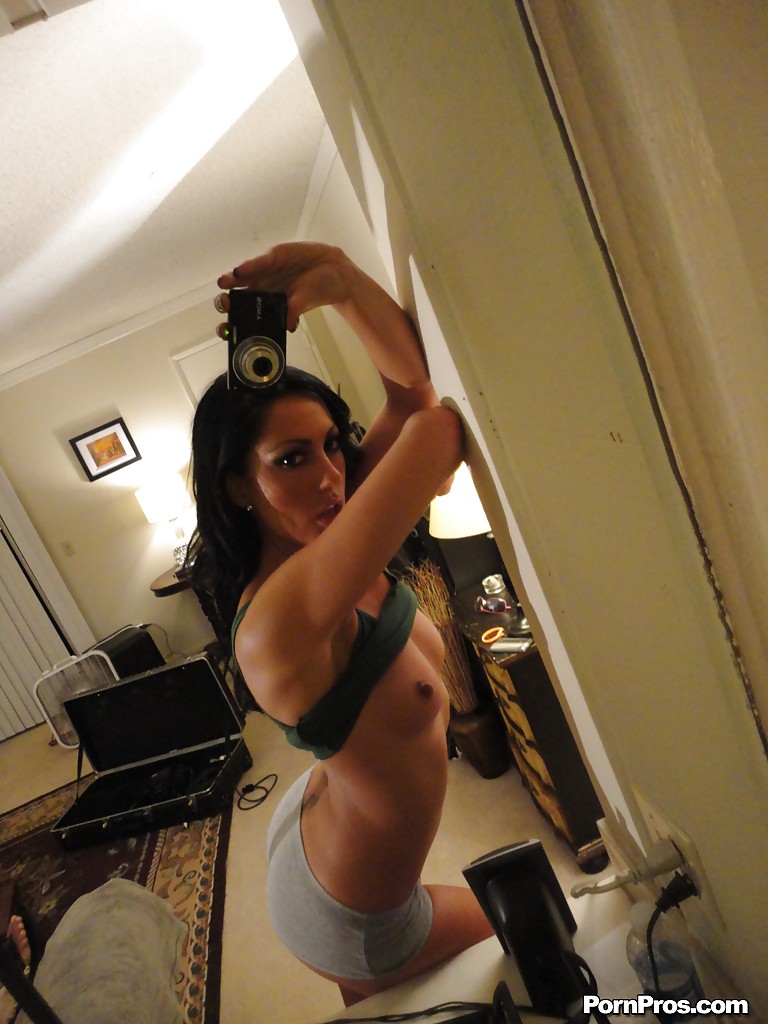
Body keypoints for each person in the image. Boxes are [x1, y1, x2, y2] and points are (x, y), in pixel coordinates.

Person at [187, 242, 493, 1006]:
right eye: (292, 459)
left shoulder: (325, 535)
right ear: (238, 486)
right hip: (351, 917)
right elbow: (436, 431)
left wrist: (341, 280)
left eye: (332, 444)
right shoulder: (276, 625)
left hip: (315, 824)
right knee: (529, 930)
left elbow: (410, 397)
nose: (331, 477)